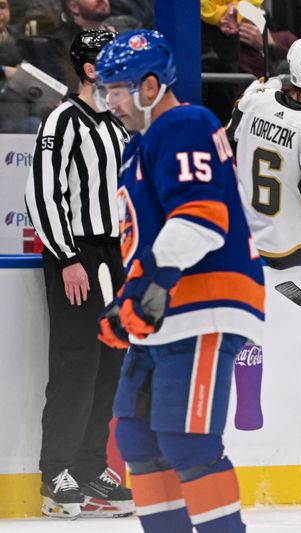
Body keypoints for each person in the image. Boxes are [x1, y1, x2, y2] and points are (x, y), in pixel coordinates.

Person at [95, 29, 265, 532]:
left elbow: (200, 218)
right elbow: (148, 239)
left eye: (117, 89)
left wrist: (147, 293)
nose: (111, 102)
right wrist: (128, 299)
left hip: (203, 302)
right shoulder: (142, 144)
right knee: (137, 439)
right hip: (168, 304)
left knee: (188, 443)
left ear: (150, 86)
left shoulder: (185, 122)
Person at [23, 29, 133, 519]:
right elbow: (42, 194)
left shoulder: (119, 124)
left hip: (116, 253)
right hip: (78, 253)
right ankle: (57, 471)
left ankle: (90, 465)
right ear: (91, 69)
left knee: (112, 360)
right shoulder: (63, 120)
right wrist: (67, 257)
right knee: (75, 362)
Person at [229, 36, 301, 267]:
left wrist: (256, 94)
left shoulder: (256, 100)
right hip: (297, 250)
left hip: (248, 241)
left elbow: (228, 141)